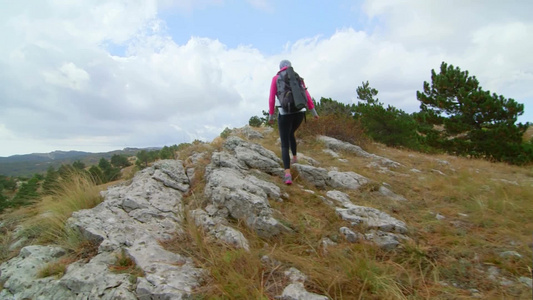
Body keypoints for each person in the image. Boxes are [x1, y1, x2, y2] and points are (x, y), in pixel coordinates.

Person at [268, 59, 319, 185]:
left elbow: (271, 98)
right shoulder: (297, 77)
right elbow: (306, 94)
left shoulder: (276, 78)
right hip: (300, 112)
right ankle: (295, 158)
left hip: (285, 113)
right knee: (291, 134)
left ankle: (287, 175)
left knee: (284, 144)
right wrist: (313, 112)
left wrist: (271, 115)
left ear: (280, 67)